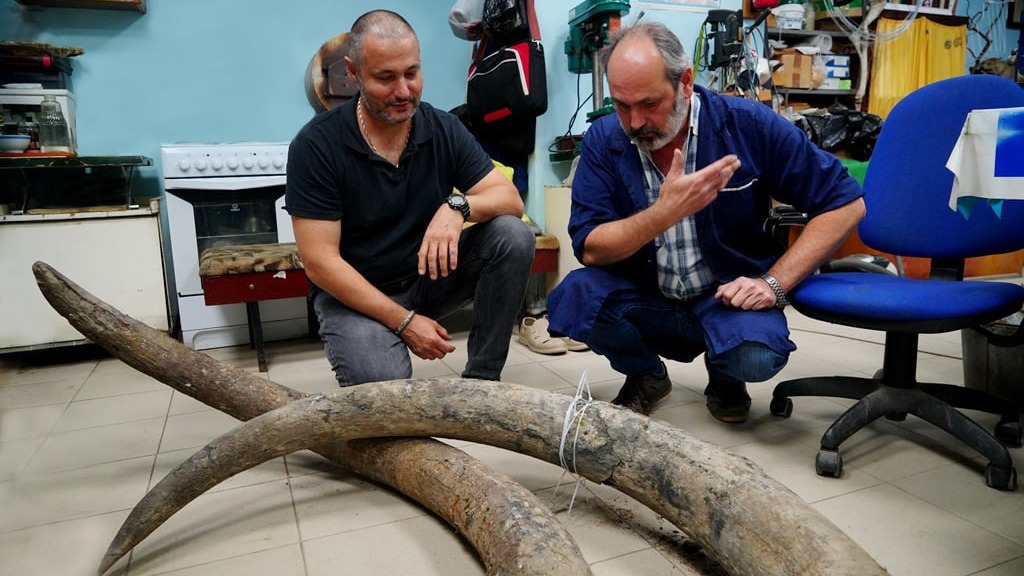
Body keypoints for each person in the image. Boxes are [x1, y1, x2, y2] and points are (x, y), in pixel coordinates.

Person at [547, 22, 866, 422]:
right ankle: (646, 374)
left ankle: (726, 372)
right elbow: (591, 246)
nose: (634, 122)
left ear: (684, 82)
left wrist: (774, 283)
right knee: (573, 298)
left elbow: (845, 203)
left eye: (648, 104)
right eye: (622, 105)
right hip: (646, 295)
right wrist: (663, 214)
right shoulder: (603, 139)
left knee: (756, 357)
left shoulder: (748, 124)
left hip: (724, 295)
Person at [285, 10, 535, 386]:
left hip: (424, 276)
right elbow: (320, 263)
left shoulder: (442, 127)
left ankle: (482, 383)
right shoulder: (315, 146)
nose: (403, 92)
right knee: (385, 393)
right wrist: (404, 322)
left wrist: (457, 207)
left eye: (411, 73)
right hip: (356, 296)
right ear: (353, 73)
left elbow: (508, 199)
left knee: (512, 235)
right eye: (385, 77)